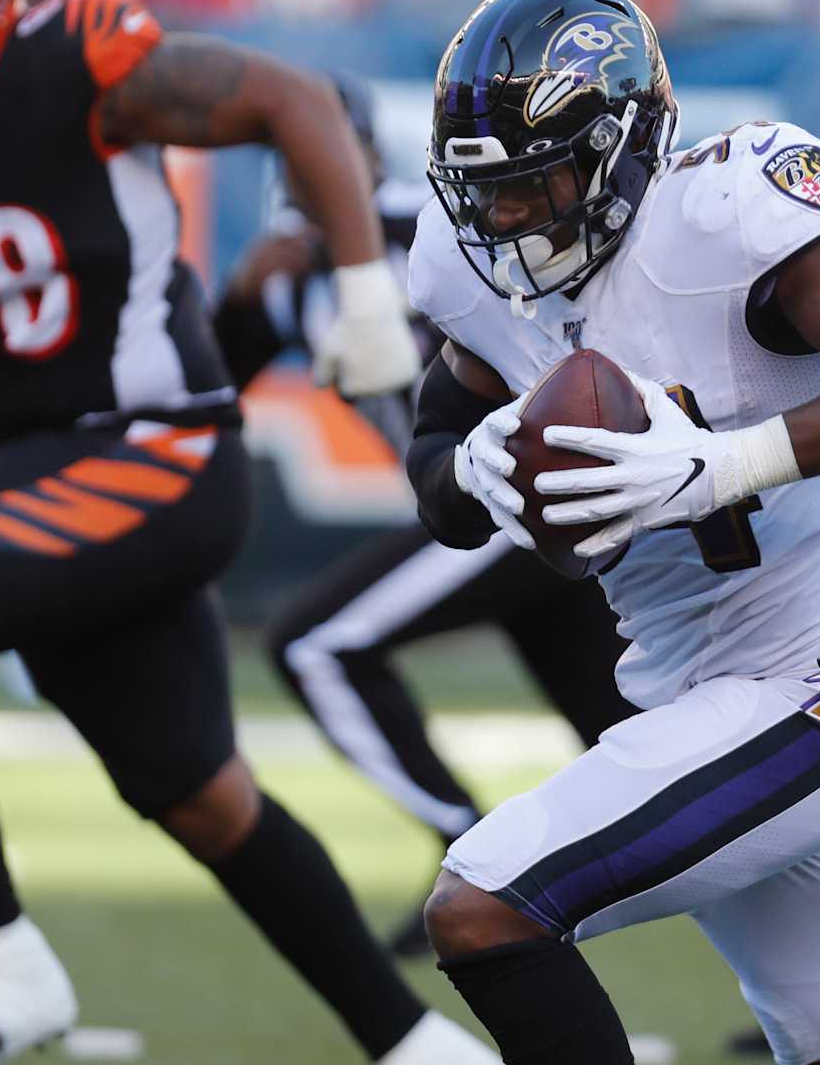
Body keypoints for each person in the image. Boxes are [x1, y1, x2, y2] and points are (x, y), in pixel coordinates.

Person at [0, 0, 497, 1065]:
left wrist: (360, 288)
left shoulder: (76, 52)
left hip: (156, 449)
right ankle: (414, 1043)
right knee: (205, 799)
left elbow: (290, 99)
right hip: (39, 480)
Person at [405, 0, 820, 1064]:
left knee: (482, 903)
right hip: (677, 687)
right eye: (484, 192)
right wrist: (473, 473)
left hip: (815, 679)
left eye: (538, 187)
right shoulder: (471, 274)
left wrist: (733, 462)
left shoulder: (727, 218)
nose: (504, 220)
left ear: (625, 146)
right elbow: (435, 460)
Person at [214, 71, 639, 958]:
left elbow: (455, 235)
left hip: (527, 490)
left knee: (314, 643)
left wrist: (335, 240)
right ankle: (817, 973)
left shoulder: (432, 227)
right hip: (485, 511)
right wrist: (238, 298)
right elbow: (207, 393)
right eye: (296, 161)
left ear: (366, 154)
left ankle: (465, 842)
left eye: (328, 153)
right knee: (645, 747)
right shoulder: (288, 279)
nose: (311, 176)